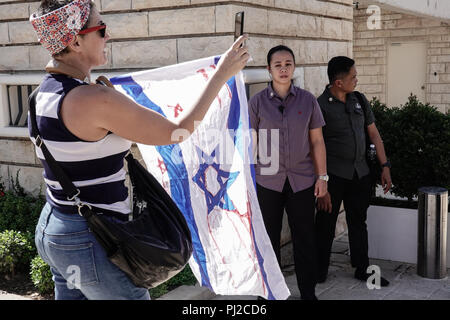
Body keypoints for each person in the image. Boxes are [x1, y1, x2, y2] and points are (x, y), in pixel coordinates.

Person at [29, 0, 249, 300]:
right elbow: (177, 132)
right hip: (89, 237)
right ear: (76, 41)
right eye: (101, 29)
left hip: (55, 229)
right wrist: (221, 75)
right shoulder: (93, 99)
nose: (108, 36)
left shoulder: (40, 95)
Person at [248, 45, 328, 300]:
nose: (283, 69)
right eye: (278, 65)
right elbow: (250, 142)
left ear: (294, 67)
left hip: (302, 181)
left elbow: (317, 141)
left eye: (288, 64)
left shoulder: (308, 100)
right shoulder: (257, 102)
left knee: (304, 239)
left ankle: (308, 293)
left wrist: (322, 177)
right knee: (267, 241)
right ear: (268, 69)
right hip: (267, 181)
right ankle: (270, 293)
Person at [315, 56, 392, 287]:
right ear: (338, 82)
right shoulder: (320, 106)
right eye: (353, 77)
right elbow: (314, 146)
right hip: (333, 176)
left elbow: (374, 134)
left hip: (360, 173)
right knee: (325, 224)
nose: (356, 80)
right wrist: (322, 183)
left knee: (358, 221)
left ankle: (363, 268)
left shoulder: (358, 99)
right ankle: (318, 270)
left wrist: (385, 166)